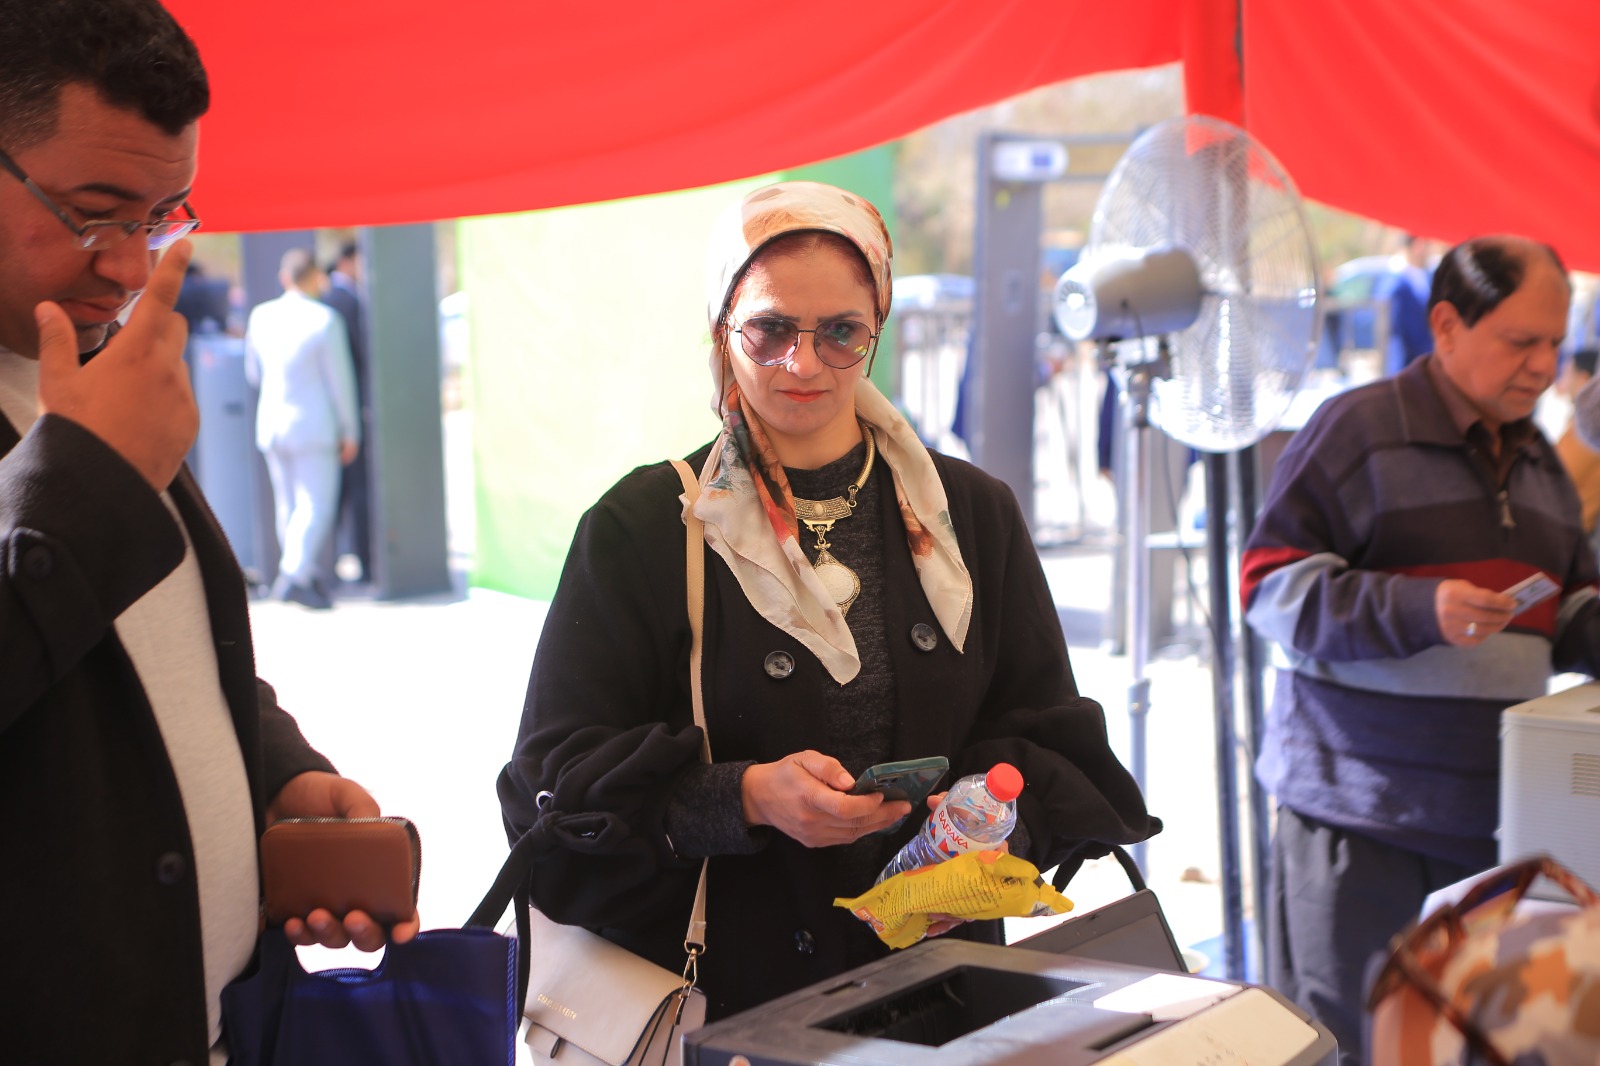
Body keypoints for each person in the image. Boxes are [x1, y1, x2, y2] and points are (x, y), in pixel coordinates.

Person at [497, 181, 1159, 1021]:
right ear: (722, 328)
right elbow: (553, 783)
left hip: (941, 1000)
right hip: (733, 1004)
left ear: (875, 329)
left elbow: (1047, 734)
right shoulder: (646, 526)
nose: (802, 364)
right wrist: (744, 797)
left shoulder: (968, 515)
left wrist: (992, 832)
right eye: (770, 329)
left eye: (840, 332)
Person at [0, 2, 416, 1060]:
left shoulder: (100, 368)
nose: (130, 267)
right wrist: (88, 484)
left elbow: (153, 650)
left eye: (159, 218)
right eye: (93, 214)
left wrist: (274, 771)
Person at [1239, 235, 1600, 1065]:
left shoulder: (1544, 463)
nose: (1544, 366)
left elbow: (1572, 609)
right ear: (1445, 325)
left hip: (1494, 830)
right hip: (1358, 822)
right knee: (1352, 1046)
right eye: (1520, 341)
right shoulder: (1358, 430)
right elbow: (1268, 586)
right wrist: (1416, 609)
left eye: (1555, 343)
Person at [245, 247, 360, 609]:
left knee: (289, 506)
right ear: (314, 277)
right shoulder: (324, 319)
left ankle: (302, 573)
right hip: (313, 426)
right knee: (315, 505)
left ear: (285, 277)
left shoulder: (260, 316)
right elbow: (340, 382)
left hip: (272, 424)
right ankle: (294, 575)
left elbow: (253, 373)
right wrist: (350, 429)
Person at [319, 240, 373, 587]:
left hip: (328, 416)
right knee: (355, 491)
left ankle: (332, 564)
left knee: (337, 494)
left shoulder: (328, 300)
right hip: (348, 411)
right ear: (347, 261)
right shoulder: (346, 301)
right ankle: (363, 562)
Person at [1381, 235, 1435, 376]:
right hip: (1407, 365)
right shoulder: (1397, 284)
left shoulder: (1424, 276)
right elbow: (1399, 332)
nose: (1429, 251)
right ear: (1418, 245)